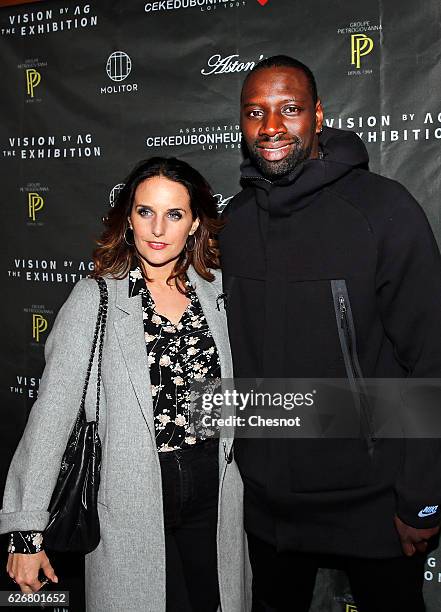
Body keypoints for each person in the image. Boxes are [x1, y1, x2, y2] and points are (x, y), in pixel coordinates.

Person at [219, 55, 441, 611]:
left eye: (289, 109)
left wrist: (422, 497)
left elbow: (431, 358)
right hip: (268, 507)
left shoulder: (383, 210)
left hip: (375, 501)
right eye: (255, 113)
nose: (271, 127)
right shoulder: (236, 223)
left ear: (319, 115)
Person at [1, 157, 251, 612]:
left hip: (215, 493)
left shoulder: (216, 293)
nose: (157, 228)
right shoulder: (95, 298)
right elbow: (51, 417)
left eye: (174, 214)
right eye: (144, 212)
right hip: (132, 496)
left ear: (195, 223)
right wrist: (24, 531)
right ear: (128, 218)